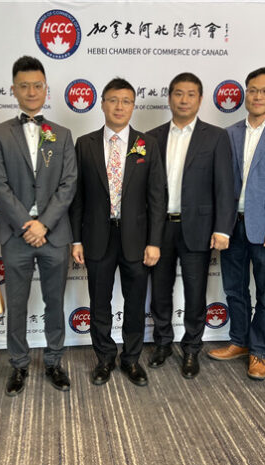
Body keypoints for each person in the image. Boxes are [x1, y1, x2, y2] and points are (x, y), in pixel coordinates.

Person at [0, 56, 77, 396]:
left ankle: (53, 361)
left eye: (37, 85)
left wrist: (44, 225)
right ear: (14, 90)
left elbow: (68, 184)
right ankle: (19, 364)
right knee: (18, 303)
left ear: (45, 89)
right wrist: (27, 224)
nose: (31, 91)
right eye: (24, 86)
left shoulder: (62, 135)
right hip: (16, 234)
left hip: (54, 235)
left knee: (55, 302)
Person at [207, 67, 265, 381]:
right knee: (234, 289)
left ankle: (259, 351)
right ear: (245, 93)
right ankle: (239, 341)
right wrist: (220, 226)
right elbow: (222, 186)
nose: (258, 96)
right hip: (232, 227)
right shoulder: (229, 133)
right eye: (252, 90)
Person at [70, 78, 166, 387]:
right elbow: (77, 197)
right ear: (102, 104)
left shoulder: (147, 144)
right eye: (113, 100)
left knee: (135, 303)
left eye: (126, 101)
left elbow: (156, 197)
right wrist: (76, 239)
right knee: (100, 303)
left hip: (136, 239)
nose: (119, 106)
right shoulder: (85, 144)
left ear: (133, 106)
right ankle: (105, 358)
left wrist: (154, 241)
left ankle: (131, 359)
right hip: (97, 237)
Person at [146, 73, 234, 378]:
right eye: (178, 93)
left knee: (195, 292)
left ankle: (192, 348)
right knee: (160, 291)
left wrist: (222, 228)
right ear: (170, 97)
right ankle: (162, 343)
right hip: (160, 229)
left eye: (191, 94)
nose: (184, 100)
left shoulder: (216, 137)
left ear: (200, 99)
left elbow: (225, 186)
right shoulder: (152, 137)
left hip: (198, 228)